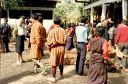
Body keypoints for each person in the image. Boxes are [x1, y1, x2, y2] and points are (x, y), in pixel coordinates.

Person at [47, 17, 67, 82]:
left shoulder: (52, 31)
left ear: (54, 23)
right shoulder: (63, 30)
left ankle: (53, 78)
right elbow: (65, 40)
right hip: (62, 48)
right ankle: (61, 75)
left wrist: (49, 49)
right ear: (60, 23)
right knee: (61, 62)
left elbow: (49, 42)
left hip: (54, 48)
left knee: (54, 63)